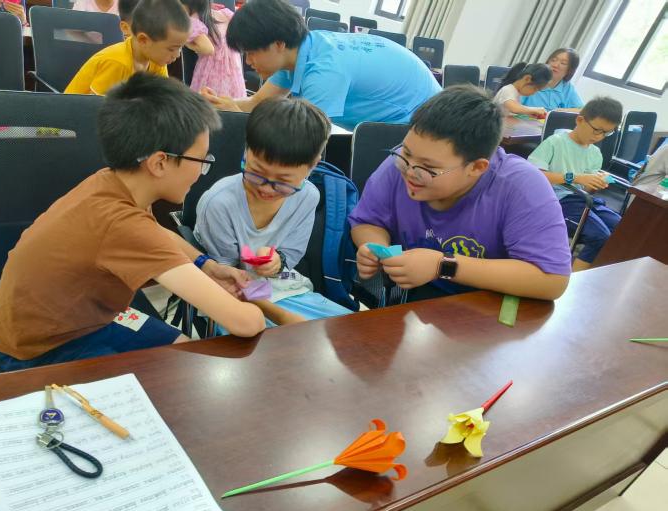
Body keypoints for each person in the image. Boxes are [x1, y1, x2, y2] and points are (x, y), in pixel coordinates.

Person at [0, 74, 265, 371]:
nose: (201, 172)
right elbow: (245, 323)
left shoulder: (114, 182)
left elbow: (155, 233)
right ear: (159, 163)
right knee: (182, 373)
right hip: (45, 347)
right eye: (202, 161)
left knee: (186, 350)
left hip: (87, 316)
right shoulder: (121, 224)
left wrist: (205, 266)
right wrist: (259, 303)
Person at [349, 85, 571, 302]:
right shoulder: (400, 165)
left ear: (476, 167)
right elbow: (368, 221)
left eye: (428, 167)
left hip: (485, 305)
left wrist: (442, 265)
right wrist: (376, 249)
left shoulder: (521, 187)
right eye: (406, 152)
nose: (409, 171)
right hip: (415, 297)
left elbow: (552, 280)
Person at [194, 97, 352, 328]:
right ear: (247, 151)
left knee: (346, 332)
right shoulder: (219, 203)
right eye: (256, 173)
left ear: (313, 165)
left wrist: (278, 262)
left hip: (282, 286)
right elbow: (226, 278)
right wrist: (280, 316)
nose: (266, 189)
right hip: (230, 293)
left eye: (283, 181)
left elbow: (291, 254)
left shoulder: (307, 196)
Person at [201, 0, 441, 130]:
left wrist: (237, 116)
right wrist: (224, 105)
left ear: (278, 44)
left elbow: (305, 139)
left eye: (251, 53)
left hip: (423, 121)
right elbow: (256, 103)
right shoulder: (301, 51)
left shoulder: (324, 71)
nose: (249, 62)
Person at [528, 96, 624, 271]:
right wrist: (575, 177)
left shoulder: (595, 153)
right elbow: (533, 175)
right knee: (599, 236)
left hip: (581, 199)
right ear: (580, 120)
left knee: (621, 227)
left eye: (606, 133)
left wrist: (596, 183)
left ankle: (596, 271)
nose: (600, 136)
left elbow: (585, 189)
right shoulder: (555, 142)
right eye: (597, 130)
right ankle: (572, 280)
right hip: (555, 200)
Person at [65, 0, 189, 95]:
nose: (177, 55)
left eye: (180, 48)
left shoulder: (157, 61)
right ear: (143, 40)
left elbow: (162, 96)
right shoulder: (117, 63)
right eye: (171, 49)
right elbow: (93, 109)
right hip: (70, 118)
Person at [180, 0, 246, 98]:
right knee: (230, 101)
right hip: (234, 70)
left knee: (209, 100)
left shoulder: (193, 21)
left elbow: (208, 49)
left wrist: (186, 42)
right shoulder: (224, 13)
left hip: (212, 71)